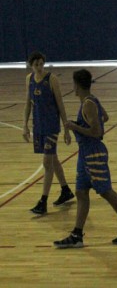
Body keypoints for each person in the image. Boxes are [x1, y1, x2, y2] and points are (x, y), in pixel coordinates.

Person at [54, 69, 117, 248]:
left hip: (94, 152)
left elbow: (97, 132)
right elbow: (104, 117)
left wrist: (75, 127)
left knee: (105, 191)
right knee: (81, 192)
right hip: (85, 153)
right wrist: (85, 124)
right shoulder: (91, 100)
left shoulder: (88, 104)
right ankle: (77, 234)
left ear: (76, 85)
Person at [23, 51, 74, 215]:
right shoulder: (29, 80)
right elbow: (27, 104)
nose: (39, 67)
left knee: (47, 163)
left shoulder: (51, 79)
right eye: (36, 64)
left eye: (41, 64)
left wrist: (66, 128)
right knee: (54, 159)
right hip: (38, 126)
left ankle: (43, 201)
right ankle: (65, 190)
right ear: (31, 65)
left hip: (52, 126)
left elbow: (60, 104)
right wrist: (24, 126)